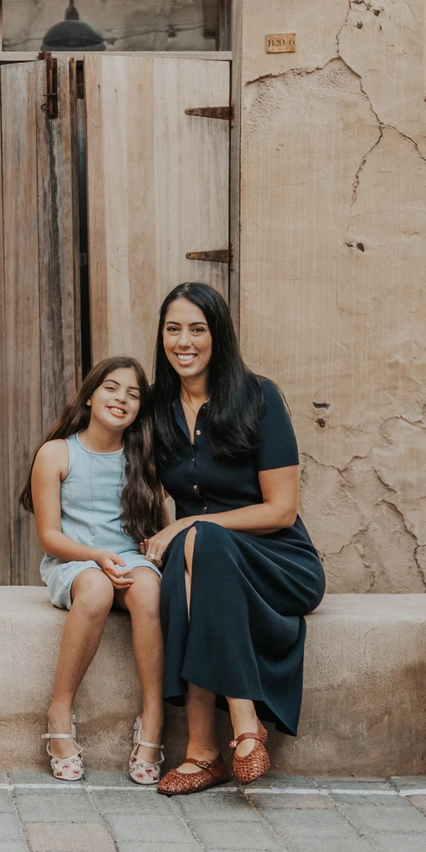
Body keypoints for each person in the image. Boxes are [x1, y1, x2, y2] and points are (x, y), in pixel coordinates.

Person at [139, 281, 325, 795]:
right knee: (193, 557)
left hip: (278, 562)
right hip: (203, 562)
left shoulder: (258, 396)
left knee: (201, 540)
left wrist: (186, 524)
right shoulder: (156, 408)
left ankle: (208, 746)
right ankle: (238, 731)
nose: (184, 341)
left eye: (197, 329)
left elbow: (282, 510)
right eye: (173, 329)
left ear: (218, 335)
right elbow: (113, 465)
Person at [22, 356, 166, 785]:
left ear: (139, 410)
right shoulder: (57, 453)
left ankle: (154, 719)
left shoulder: (143, 456)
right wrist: (97, 557)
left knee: (147, 591)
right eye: (111, 388)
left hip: (126, 559)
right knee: (97, 590)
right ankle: (60, 711)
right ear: (89, 396)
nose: (121, 398)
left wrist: (148, 546)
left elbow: (154, 523)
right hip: (73, 561)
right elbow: (49, 536)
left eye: (133, 394)